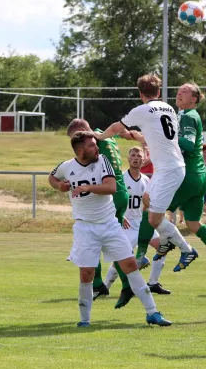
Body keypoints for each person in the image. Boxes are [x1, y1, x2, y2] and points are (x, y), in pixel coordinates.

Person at [48, 131, 171, 327]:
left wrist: (87, 188)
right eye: (91, 146)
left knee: (130, 265)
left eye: (96, 144)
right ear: (80, 150)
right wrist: (59, 186)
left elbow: (111, 187)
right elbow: (52, 177)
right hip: (84, 228)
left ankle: (153, 313)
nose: (96, 148)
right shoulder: (67, 166)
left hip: (109, 224)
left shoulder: (102, 160)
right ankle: (84, 320)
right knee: (86, 274)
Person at [135, 82, 206, 285]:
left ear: (194, 99)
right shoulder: (182, 115)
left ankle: (141, 255)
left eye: (185, 91)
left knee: (149, 208)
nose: (179, 92)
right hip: (198, 178)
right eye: (178, 89)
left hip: (186, 176)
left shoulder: (188, 115)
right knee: (193, 224)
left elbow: (188, 144)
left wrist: (164, 139)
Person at [95, 74, 199, 273]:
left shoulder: (141, 110)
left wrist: (99, 135)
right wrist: (136, 136)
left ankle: (186, 249)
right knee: (146, 199)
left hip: (169, 170)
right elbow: (162, 137)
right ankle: (167, 241)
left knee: (153, 219)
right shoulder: (168, 108)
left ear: (141, 94)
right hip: (169, 167)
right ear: (158, 92)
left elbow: (116, 127)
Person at [66, 118, 132, 308]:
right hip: (120, 191)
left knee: (103, 244)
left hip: (108, 193)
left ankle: (127, 286)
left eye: (76, 138)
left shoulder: (93, 142)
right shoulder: (106, 136)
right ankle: (98, 284)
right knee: (97, 241)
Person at [104, 146, 171, 296]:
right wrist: (120, 216)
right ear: (128, 159)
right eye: (133, 155)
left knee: (163, 247)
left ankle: (153, 282)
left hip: (142, 223)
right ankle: (105, 286)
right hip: (126, 224)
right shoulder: (121, 179)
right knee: (122, 258)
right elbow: (111, 202)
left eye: (138, 156)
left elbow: (150, 203)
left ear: (144, 159)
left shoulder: (147, 180)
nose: (135, 158)